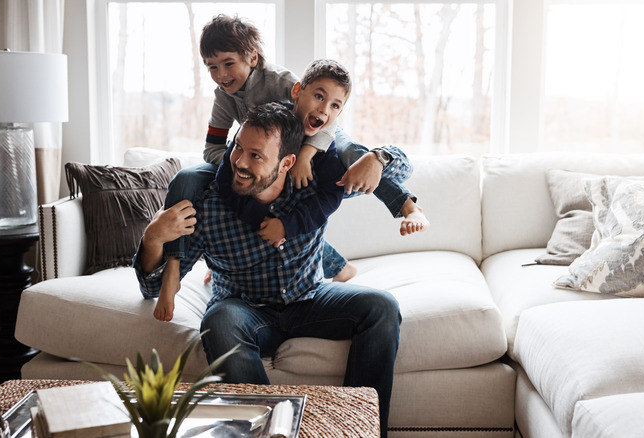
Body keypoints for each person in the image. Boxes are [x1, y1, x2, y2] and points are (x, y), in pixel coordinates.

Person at [134, 103, 401, 437]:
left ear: (287, 162)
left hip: (310, 297)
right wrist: (153, 238)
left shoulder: (314, 186)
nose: (240, 163)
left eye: (256, 156)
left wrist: (378, 159)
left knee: (382, 307)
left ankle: (360, 431)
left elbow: (400, 173)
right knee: (220, 320)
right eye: (238, 149)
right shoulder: (208, 204)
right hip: (243, 307)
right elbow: (152, 288)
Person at [158, 14, 428, 317]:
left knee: (353, 154)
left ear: (252, 57)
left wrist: (307, 155)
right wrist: (243, 166)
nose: (221, 74)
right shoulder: (224, 97)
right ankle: (174, 267)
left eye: (228, 63)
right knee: (186, 178)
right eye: (212, 67)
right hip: (262, 163)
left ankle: (406, 206)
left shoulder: (284, 84)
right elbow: (213, 148)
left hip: (315, 142)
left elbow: (322, 120)